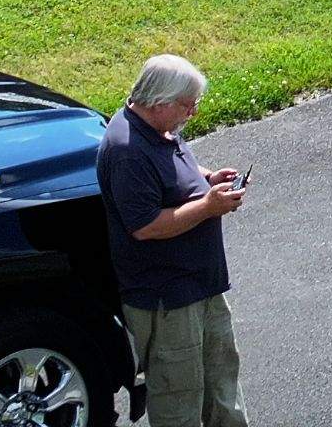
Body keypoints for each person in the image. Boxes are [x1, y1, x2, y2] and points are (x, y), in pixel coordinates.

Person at [98, 54, 250, 427]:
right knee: (178, 403)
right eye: (187, 105)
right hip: (168, 300)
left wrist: (208, 179)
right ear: (159, 101)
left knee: (222, 388)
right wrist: (207, 206)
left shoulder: (161, 128)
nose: (192, 114)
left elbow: (172, 169)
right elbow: (146, 226)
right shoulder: (127, 151)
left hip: (203, 285)